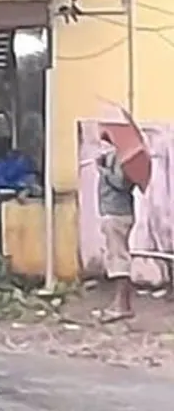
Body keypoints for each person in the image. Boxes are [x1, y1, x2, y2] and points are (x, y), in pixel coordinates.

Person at [98, 130, 137, 323]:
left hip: (117, 213)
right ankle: (120, 304)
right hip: (114, 212)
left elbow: (121, 183)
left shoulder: (122, 159)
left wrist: (102, 170)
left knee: (118, 258)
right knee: (116, 257)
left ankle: (122, 305)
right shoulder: (115, 157)